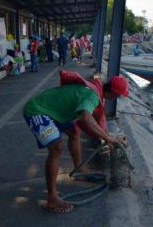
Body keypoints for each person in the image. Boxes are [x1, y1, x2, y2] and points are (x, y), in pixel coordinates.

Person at [22, 76, 129, 214]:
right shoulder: (93, 96)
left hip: (53, 110)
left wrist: (106, 136)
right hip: (37, 110)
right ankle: (52, 198)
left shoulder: (95, 89)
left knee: (74, 132)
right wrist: (108, 138)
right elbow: (85, 117)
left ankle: (79, 169)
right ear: (115, 95)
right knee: (56, 148)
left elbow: (87, 121)